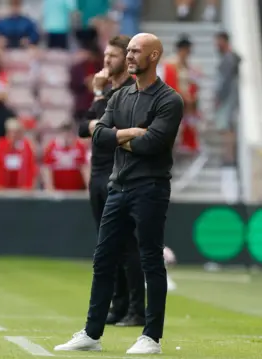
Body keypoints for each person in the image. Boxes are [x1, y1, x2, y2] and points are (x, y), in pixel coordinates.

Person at [55, 33, 183, 355]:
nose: (129, 56)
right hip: (118, 186)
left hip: (150, 188)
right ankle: (92, 333)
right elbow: (97, 136)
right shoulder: (119, 97)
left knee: (150, 259)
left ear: (154, 56)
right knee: (103, 259)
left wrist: (116, 137)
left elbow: (150, 144)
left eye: (136, 51)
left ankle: (151, 337)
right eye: (127, 51)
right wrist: (128, 134)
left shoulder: (169, 100)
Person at [77, 35, 146, 327]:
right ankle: (118, 306)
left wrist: (97, 98)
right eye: (105, 56)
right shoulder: (109, 91)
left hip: (118, 175)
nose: (106, 62)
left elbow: (105, 127)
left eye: (113, 57)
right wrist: (97, 118)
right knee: (108, 245)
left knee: (127, 245)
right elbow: (85, 127)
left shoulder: (131, 91)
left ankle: (136, 309)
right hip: (98, 174)